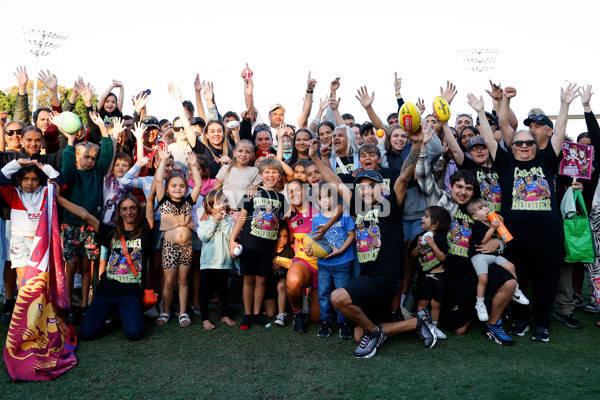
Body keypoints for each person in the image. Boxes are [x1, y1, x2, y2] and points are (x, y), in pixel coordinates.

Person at [311, 122, 438, 358]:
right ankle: (413, 324)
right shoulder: (358, 206)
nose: (366, 191)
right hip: (368, 277)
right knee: (360, 333)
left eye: (372, 186)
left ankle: (378, 331)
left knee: (337, 297)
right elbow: (336, 182)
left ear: (381, 188)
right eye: (362, 187)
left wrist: (418, 143)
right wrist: (316, 157)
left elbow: (404, 176)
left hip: (386, 278)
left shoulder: (390, 206)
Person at [470, 82, 580, 342]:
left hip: (548, 240)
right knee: (518, 282)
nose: (523, 146)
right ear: (513, 146)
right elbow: (488, 138)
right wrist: (483, 111)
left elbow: (559, 132)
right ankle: (521, 320)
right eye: (518, 143)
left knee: (546, 284)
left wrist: (565, 105)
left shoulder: (547, 160)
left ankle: (541, 322)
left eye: (528, 143)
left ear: (535, 145)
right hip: (515, 240)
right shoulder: (505, 164)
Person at [416, 120, 517, 345]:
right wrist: (423, 148)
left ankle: (493, 324)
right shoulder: (442, 204)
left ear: (474, 192)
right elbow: (424, 178)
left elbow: (501, 234)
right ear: (451, 187)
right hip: (451, 273)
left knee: (509, 283)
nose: (463, 192)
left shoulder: (479, 209)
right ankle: (463, 310)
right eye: (458, 187)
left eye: (468, 188)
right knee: (459, 329)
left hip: (477, 267)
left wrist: (499, 245)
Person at [57, 192, 153, 341]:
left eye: (133, 208)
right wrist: (58, 198)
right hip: (107, 290)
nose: (129, 212)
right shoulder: (110, 233)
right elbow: (85, 215)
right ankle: (114, 311)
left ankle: (120, 312)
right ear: (119, 212)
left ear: (138, 210)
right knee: (87, 333)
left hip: (131, 291)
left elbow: (152, 199)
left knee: (135, 334)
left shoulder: (145, 232)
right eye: (125, 209)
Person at [59, 111, 114, 322]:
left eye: (93, 158)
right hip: (71, 226)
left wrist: (103, 130)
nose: (90, 161)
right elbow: (66, 165)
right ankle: (67, 304)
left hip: (91, 227)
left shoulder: (97, 172)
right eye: (86, 157)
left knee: (86, 266)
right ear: (77, 157)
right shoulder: (71, 174)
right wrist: (71, 141)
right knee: (70, 267)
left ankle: (84, 305)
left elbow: (107, 154)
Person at [0, 158, 64, 321]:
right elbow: (1, 176)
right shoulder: (13, 193)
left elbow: (61, 184)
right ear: (18, 180)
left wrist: (45, 168)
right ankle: (23, 316)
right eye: (26, 179)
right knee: (24, 280)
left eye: (34, 179)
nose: (30, 183)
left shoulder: (45, 192)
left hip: (40, 243)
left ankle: (40, 313)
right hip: (20, 243)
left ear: (39, 180)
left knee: (41, 278)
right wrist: (18, 163)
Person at [229, 158, 286, 330]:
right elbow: (241, 217)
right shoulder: (252, 192)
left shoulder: (280, 197)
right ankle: (247, 315)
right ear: (260, 175)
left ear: (280, 176)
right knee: (248, 279)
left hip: (267, 247)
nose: (270, 175)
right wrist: (233, 240)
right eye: (267, 172)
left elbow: (278, 221)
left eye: (274, 172)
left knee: (261, 280)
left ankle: (256, 314)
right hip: (250, 244)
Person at [153, 149, 203, 327]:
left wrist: (193, 165)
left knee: (183, 280)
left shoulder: (188, 201)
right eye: (173, 186)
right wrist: (163, 161)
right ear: (167, 189)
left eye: (181, 186)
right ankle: (165, 311)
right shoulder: (164, 202)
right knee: (169, 282)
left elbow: (198, 185)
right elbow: (158, 180)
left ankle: (183, 312)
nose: (178, 189)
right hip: (170, 247)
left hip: (186, 247)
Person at [466, 198, 528, 322]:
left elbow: (501, 238)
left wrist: (500, 224)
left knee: (511, 266)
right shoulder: (478, 225)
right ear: (475, 216)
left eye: (486, 206)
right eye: (481, 209)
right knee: (483, 278)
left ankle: (516, 291)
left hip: (493, 255)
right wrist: (493, 228)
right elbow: (481, 241)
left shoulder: (490, 223)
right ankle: (480, 303)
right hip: (479, 256)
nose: (486, 209)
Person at [310, 183, 356, 339]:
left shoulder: (344, 215)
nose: (324, 200)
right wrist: (310, 249)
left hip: (342, 262)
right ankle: (326, 322)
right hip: (323, 264)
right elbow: (314, 240)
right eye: (320, 197)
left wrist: (341, 249)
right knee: (323, 294)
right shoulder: (316, 218)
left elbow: (352, 234)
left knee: (342, 294)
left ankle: (344, 323)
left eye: (328, 196)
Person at [408, 206, 451, 339]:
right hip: (424, 276)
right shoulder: (418, 237)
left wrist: (433, 245)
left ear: (435, 224)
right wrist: (418, 247)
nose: (422, 218)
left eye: (426, 216)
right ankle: (421, 327)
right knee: (422, 303)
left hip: (438, 276)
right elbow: (412, 255)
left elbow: (442, 257)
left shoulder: (440, 238)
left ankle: (434, 327)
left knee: (436, 303)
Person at [197, 190, 237, 329]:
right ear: (209, 206)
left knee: (223, 290)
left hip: (224, 262)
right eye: (219, 203)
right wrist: (214, 221)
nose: (222, 205)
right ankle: (205, 318)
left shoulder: (230, 220)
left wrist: (224, 220)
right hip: (208, 263)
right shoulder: (204, 220)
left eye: (224, 202)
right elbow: (204, 237)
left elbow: (231, 236)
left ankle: (225, 315)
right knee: (206, 290)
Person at [284, 179, 319, 333]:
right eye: (290, 191)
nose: (294, 194)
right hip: (304, 261)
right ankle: (297, 314)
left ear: (305, 190)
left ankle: (310, 297)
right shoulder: (289, 217)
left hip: (325, 264)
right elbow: (291, 240)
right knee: (292, 280)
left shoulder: (320, 208)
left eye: (297, 190)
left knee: (316, 318)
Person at [267, 225, 294, 326]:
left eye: (286, 236)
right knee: (269, 314)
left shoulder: (289, 251)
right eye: (280, 236)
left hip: (282, 281)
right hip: (269, 283)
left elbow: (292, 268)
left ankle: (281, 315)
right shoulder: (269, 249)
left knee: (281, 284)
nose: (283, 239)